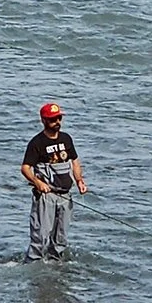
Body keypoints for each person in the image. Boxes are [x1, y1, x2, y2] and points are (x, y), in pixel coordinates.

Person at [21, 103, 87, 261]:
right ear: (43, 120)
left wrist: (79, 181)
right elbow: (25, 168)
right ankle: (33, 267)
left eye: (59, 118)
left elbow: (75, 162)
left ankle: (55, 270)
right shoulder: (37, 143)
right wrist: (38, 183)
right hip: (46, 197)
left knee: (60, 239)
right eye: (52, 119)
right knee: (41, 238)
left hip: (65, 196)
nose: (57, 122)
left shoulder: (66, 139)